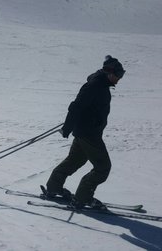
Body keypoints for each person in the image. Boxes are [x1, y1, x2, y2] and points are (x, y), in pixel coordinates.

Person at [45, 55, 126, 209]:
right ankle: (83, 198)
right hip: (89, 134)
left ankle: (54, 187)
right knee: (102, 168)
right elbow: (76, 106)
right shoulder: (95, 85)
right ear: (109, 73)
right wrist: (67, 127)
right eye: (118, 75)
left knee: (75, 160)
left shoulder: (100, 84)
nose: (119, 79)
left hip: (86, 131)